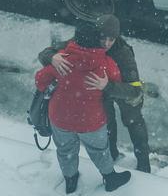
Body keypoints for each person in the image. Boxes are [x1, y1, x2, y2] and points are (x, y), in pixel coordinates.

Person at [40, 14, 152, 173]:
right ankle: (112, 155)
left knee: (134, 122)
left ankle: (144, 163)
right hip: (101, 90)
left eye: (111, 39)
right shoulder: (87, 38)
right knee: (107, 122)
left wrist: (109, 85)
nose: (106, 44)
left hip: (121, 89)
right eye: (103, 38)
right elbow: (46, 53)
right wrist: (52, 57)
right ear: (95, 34)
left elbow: (134, 91)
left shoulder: (123, 53)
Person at [35, 20, 132, 194]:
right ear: (97, 40)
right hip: (91, 122)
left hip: (60, 118)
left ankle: (70, 180)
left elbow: (40, 81)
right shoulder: (106, 64)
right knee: (99, 150)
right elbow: (117, 83)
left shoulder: (61, 59)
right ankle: (110, 178)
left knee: (65, 150)